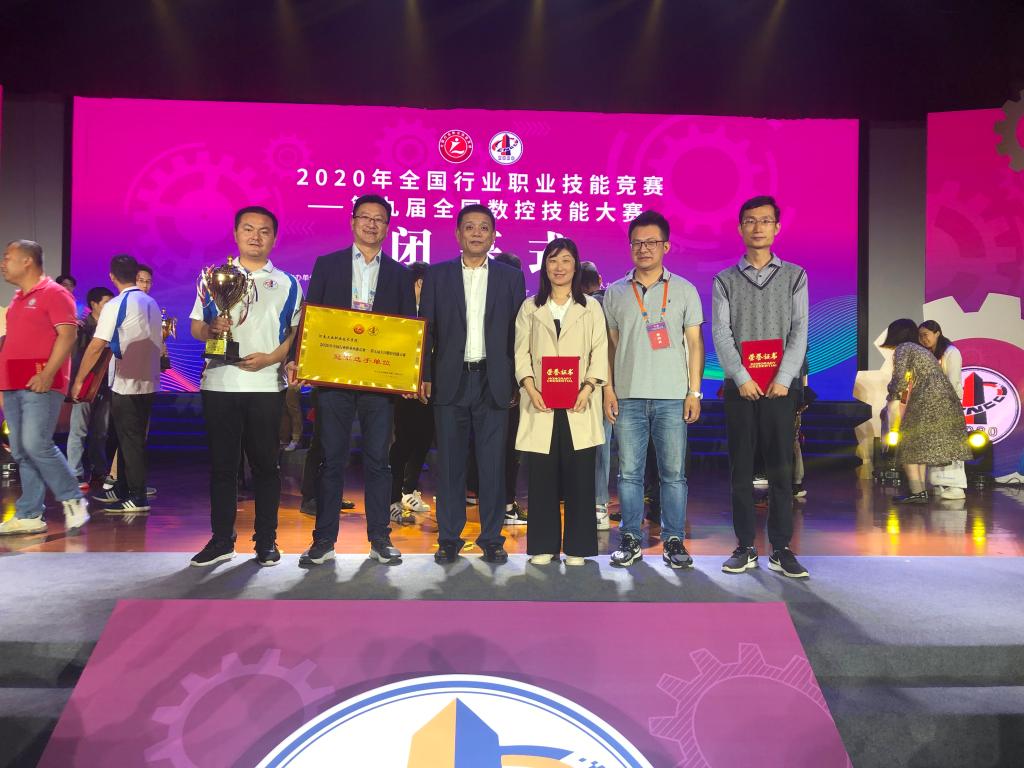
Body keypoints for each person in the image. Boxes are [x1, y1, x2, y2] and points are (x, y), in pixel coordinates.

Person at [299, 194, 416, 567]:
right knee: (331, 460)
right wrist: (302, 361)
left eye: (379, 219)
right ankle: (323, 540)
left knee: (379, 462)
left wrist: (408, 375)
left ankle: (380, 538)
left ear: (387, 227)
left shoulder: (399, 273)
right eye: (365, 217)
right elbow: (312, 317)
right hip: (334, 379)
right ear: (352, 222)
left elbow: (405, 329)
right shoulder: (328, 264)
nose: (371, 224)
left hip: (377, 383)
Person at [188, 206, 302, 567]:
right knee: (223, 467)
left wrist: (271, 359)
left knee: (266, 467)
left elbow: (295, 333)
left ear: (274, 238)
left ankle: (266, 541)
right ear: (236, 234)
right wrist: (211, 330)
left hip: (266, 385)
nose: (256, 236)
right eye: (248, 229)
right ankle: (222, 540)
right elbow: (195, 326)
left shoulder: (288, 283)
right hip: (219, 382)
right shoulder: (213, 277)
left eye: (264, 231)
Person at [420, 204, 526, 564]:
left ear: (494, 235)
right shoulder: (438, 275)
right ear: (457, 234)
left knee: (493, 464)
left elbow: (517, 334)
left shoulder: (510, 278)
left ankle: (492, 538)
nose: (477, 233)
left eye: (484, 227)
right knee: (450, 464)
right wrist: (425, 375)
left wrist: (517, 379)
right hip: (449, 380)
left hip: (492, 381)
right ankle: (449, 537)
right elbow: (427, 329)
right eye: (469, 227)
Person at [603, 210, 704, 569]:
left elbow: (694, 344)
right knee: (629, 474)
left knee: (673, 475)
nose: (643, 248)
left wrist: (694, 392)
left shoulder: (684, 290)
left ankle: (674, 540)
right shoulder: (615, 292)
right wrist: (609, 389)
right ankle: (630, 538)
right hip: (628, 396)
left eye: (651, 242)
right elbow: (610, 346)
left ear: (666, 246)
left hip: (672, 397)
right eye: (637, 243)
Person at [714, 195, 809, 579]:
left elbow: (799, 330)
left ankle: (781, 548)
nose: (758, 227)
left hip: (780, 389)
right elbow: (721, 333)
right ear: (740, 228)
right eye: (750, 221)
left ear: (777, 228)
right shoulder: (724, 280)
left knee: (781, 470)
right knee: (740, 471)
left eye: (765, 221)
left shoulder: (795, 276)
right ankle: (745, 546)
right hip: (741, 388)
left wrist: (784, 378)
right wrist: (742, 378)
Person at [515, 239, 607, 565]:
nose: (559, 267)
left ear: (575, 265)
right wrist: (529, 386)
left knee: (580, 478)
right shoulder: (530, 307)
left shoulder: (591, 307)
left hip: (580, 403)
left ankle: (578, 548)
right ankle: (544, 546)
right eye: (553, 260)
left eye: (566, 260)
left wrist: (588, 387)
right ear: (544, 266)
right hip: (540, 402)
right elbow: (521, 353)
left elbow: (600, 351)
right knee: (542, 477)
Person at [0, 240, 90, 535]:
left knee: (37, 443)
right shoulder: (17, 299)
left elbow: (68, 335)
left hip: (40, 380)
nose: (3, 263)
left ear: (27, 261)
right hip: (12, 383)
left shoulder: (55, 293)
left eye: (8, 257)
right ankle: (29, 514)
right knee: (21, 450)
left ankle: (73, 499)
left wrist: (48, 374)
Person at [73, 255, 162, 514]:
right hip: (148, 380)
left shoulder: (116, 304)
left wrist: (80, 379)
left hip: (127, 381)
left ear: (112, 277)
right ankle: (123, 489)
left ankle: (137, 496)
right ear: (135, 275)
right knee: (127, 438)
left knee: (129, 440)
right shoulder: (151, 302)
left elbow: (96, 345)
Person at [883, 318, 972, 503]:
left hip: (928, 399)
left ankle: (917, 492)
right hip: (944, 401)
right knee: (918, 448)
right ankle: (920, 492)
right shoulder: (921, 350)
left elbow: (899, 379)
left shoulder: (904, 348)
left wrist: (891, 394)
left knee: (907, 445)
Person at [388, 260, 434, 524]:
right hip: (403, 388)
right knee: (403, 443)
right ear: (419, 283)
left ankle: (409, 490)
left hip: (429, 386)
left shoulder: (434, 310)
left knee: (424, 440)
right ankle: (393, 499)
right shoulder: (400, 310)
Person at [67, 287, 114, 488]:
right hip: (85, 384)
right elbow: (76, 358)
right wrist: (76, 383)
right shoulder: (82, 328)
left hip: (106, 384)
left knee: (101, 432)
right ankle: (74, 473)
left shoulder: (113, 327)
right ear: (94, 304)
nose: (110, 307)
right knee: (78, 429)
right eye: (106, 303)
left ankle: (98, 471)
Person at [580, 260, 614, 531]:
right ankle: (599, 505)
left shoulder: (582, 306)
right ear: (599, 278)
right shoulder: (612, 301)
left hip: (581, 384)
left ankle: (589, 502)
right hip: (608, 384)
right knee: (602, 446)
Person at [919, 320, 967, 499]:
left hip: (948, 404)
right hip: (932, 405)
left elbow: (953, 381)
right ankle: (938, 483)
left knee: (951, 446)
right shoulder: (929, 354)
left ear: (937, 333)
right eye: (920, 336)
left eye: (926, 335)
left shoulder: (951, 352)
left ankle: (956, 487)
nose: (923, 339)